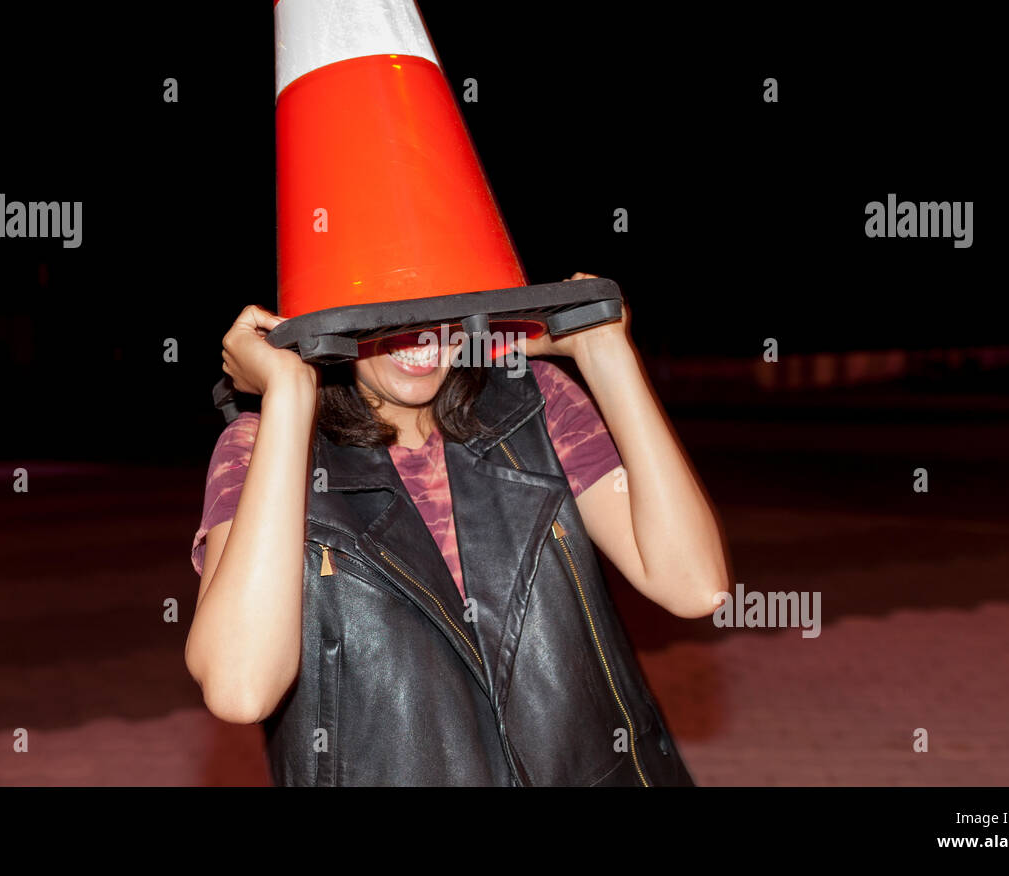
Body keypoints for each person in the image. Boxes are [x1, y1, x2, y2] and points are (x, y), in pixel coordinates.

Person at [184, 273, 729, 786]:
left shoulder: (535, 401)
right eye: (382, 310)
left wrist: (605, 352)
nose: (419, 333)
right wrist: (289, 395)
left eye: (435, 301)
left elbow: (694, 585)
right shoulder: (263, 449)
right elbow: (241, 687)